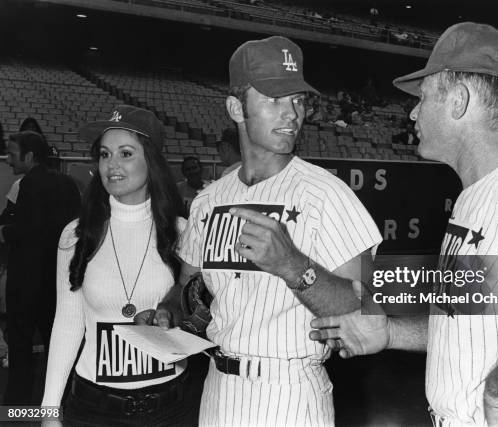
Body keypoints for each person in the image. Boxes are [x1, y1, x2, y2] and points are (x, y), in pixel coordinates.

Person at [307, 22, 498, 426]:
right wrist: (392, 335)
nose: (413, 111)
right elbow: (479, 324)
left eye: (424, 97)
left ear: (458, 101)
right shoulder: (478, 196)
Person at [140, 36, 382, 426]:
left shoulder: (327, 195)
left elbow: (365, 313)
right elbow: (189, 288)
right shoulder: (209, 200)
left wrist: (293, 266)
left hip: (289, 390)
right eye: (274, 100)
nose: (292, 115)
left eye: (299, 100)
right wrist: (169, 312)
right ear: (236, 108)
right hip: (217, 388)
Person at [41, 105, 196, 425]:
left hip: (171, 408)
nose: (112, 165)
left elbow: (199, 313)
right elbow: (67, 324)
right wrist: (49, 409)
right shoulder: (75, 235)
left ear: (150, 161)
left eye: (126, 153)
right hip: (93, 409)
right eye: (104, 154)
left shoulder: (183, 232)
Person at [0, 131, 81, 404]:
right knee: (58, 348)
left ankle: (15, 409)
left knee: (21, 350)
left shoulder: (28, 184)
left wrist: (4, 232)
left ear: (30, 156)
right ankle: (58, 405)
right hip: (58, 282)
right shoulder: (69, 184)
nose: (9, 160)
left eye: (12, 154)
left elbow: (26, 231)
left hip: (26, 283)